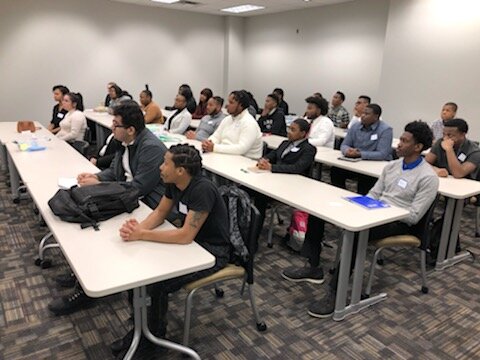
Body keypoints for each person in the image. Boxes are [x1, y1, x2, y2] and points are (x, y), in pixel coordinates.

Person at [282, 121, 439, 318]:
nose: (398, 144)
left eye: (405, 141)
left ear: (417, 147)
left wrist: (381, 210)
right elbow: (374, 194)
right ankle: (312, 267)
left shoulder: (428, 177)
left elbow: (414, 216)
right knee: (318, 211)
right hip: (375, 211)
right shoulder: (392, 166)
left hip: (399, 222)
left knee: (355, 233)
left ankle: (335, 292)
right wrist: (362, 205)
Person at [49, 100, 168, 316]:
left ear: (130, 129)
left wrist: (101, 186)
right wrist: (95, 176)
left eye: (116, 125)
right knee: (86, 225)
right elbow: (114, 172)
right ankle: (82, 276)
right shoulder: (125, 143)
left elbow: (139, 187)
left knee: (97, 230)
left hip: (148, 205)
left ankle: (87, 289)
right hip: (128, 198)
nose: (112, 128)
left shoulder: (150, 148)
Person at [110, 144, 230, 356]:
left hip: (212, 252)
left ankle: (153, 339)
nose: (160, 167)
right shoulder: (173, 182)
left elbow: (185, 236)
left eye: (166, 163)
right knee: (138, 274)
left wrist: (142, 235)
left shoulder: (202, 189)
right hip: (193, 246)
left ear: (181, 170)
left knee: (157, 283)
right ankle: (140, 327)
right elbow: (160, 213)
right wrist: (137, 229)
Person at [253, 118, 317, 222]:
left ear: (302, 133)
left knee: (260, 196)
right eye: (289, 129)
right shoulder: (285, 143)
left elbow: (297, 168)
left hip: (292, 185)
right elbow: (274, 154)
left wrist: (272, 167)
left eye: (293, 130)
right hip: (275, 179)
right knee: (249, 189)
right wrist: (264, 160)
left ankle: (255, 230)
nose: (289, 132)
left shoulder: (309, 149)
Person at [331, 104, 393, 194]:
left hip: (373, 165)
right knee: (336, 170)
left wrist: (360, 154)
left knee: (365, 181)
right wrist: (347, 151)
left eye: (367, 114)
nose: (362, 116)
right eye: (363, 113)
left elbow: (382, 154)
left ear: (376, 117)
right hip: (355, 161)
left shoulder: (385, 130)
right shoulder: (355, 126)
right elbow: (344, 145)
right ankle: (340, 195)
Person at [202, 90, 263, 159]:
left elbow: (241, 148)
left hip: (245, 161)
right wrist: (208, 143)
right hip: (227, 156)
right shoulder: (227, 119)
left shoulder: (249, 123)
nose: (227, 105)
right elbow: (216, 136)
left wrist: (214, 147)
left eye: (231, 103)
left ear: (241, 105)